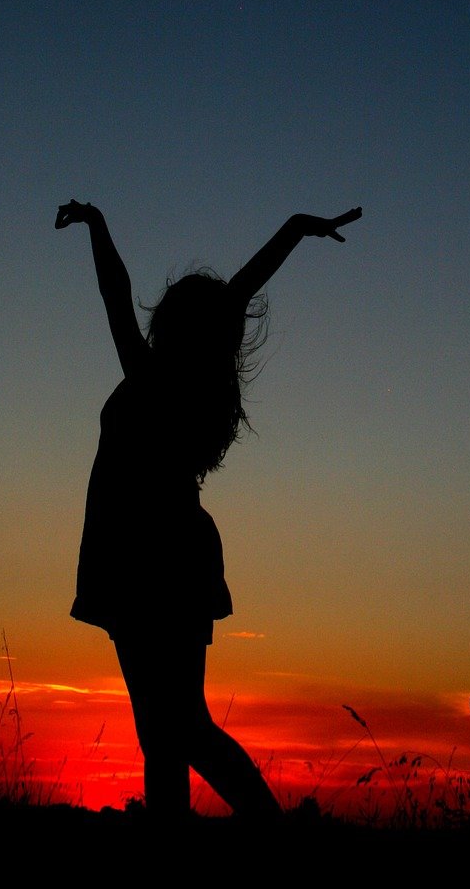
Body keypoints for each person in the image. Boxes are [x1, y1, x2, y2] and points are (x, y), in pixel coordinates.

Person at [56, 199, 362, 821]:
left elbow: (118, 297)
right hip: (164, 554)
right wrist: (295, 231)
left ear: (179, 326)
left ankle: (271, 825)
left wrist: (99, 225)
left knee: (179, 730)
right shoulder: (189, 384)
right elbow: (239, 290)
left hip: (148, 556)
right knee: (171, 732)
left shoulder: (155, 380)